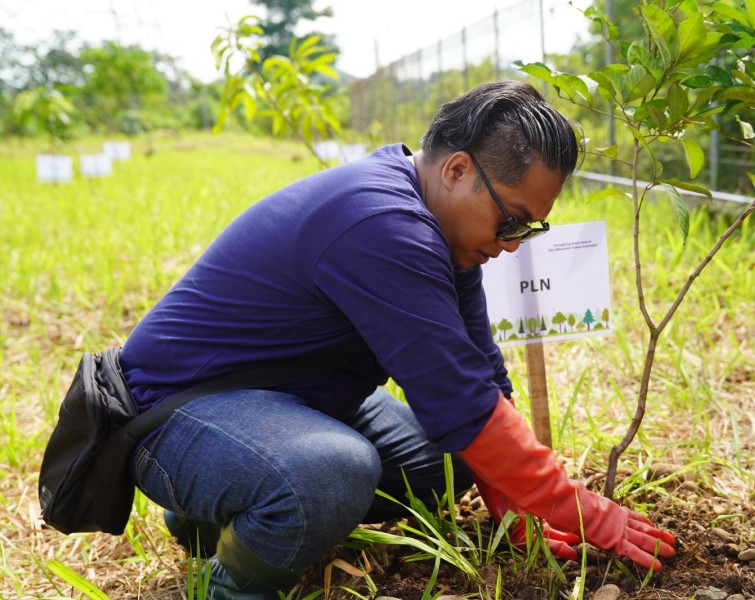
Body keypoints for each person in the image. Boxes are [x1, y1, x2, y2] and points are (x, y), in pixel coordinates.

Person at [120, 80, 676, 599]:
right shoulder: (382, 222)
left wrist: (516, 502)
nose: (512, 245)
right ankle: (231, 580)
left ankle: (221, 509)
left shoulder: (438, 224)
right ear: (458, 170)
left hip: (290, 401)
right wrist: (582, 510)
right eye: (512, 221)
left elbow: (479, 375)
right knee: (334, 473)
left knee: (453, 460)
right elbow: (458, 398)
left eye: (529, 230)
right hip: (174, 414)